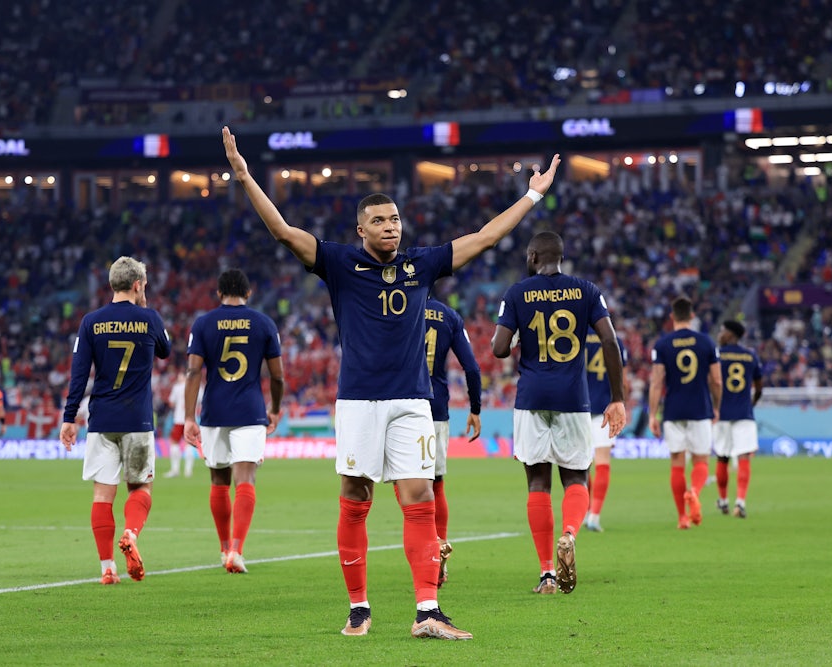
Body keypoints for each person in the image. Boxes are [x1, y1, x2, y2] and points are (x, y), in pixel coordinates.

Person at [223, 125, 560, 640]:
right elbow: (285, 233)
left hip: (412, 401)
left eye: (395, 219)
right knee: (355, 495)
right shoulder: (338, 262)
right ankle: (358, 607)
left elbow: (486, 236)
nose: (390, 227)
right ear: (360, 230)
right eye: (379, 220)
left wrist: (533, 194)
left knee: (419, 494)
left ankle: (428, 610)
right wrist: (246, 176)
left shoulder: (419, 266)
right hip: (358, 400)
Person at [491, 231, 626, 596]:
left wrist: (514, 332)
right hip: (573, 397)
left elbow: (500, 349)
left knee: (537, 484)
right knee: (577, 478)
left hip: (532, 397)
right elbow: (610, 341)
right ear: (561, 257)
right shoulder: (586, 290)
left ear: (533, 256)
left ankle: (547, 574)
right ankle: (568, 534)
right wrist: (618, 397)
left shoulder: (517, 293)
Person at [60, 256, 171, 585]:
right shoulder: (149, 318)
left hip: (101, 420)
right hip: (137, 419)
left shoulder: (91, 322)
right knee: (141, 487)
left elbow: (79, 374)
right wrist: (145, 307)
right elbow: (165, 350)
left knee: (102, 494)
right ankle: (131, 533)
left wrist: (69, 418)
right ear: (138, 285)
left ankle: (107, 567)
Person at [183, 268, 284, 575]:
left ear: (219, 293)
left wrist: (189, 416)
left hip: (214, 411)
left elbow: (193, 372)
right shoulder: (264, 323)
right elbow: (277, 375)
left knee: (218, 481)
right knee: (245, 479)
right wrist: (275, 408)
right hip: (250, 411)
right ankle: (237, 551)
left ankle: (224, 546)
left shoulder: (203, 324)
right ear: (248, 293)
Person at [421, 294, 482, 588]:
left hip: (400, 403)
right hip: (436, 407)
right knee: (436, 482)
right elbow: (471, 366)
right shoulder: (449, 316)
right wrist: (475, 408)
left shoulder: (396, 307)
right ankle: (440, 544)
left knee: (405, 483)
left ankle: (429, 545)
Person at [648, 296, 722, 530]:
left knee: (677, 463)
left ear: (672, 317)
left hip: (673, 410)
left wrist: (652, 414)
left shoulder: (662, 344)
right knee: (701, 460)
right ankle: (694, 491)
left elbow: (656, 382)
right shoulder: (706, 342)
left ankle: (682, 517)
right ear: (692, 316)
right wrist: (717, 406)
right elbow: (717, 380)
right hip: (700, 408)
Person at [714, 320, 762, 519]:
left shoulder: (717, 355)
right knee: (743, 457)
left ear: (731, 335)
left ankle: (723, 500)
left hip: (722, 413)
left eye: (723, 331)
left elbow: (713, 382)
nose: (720, 334)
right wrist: (751, 404)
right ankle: (740, 502)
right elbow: (759, 387)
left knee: (722, 457)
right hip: (744, 413)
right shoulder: (750, 355)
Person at [582, 332, 628, 532]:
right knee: (602, 462)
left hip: (578, 407)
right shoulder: (614, 340)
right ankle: (595, 515)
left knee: (581, 464)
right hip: (605, 407)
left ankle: (584, 511)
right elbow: (622, 379)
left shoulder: (576, 335)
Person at [164, 371, 198, 478]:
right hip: (191, 419)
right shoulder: (195, 386)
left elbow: (171, 402)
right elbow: (200, 400)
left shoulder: (177, 387)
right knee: (189, 444)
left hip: (179, 419)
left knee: (174, 443)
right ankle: (188, 471)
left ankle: (175, 470)